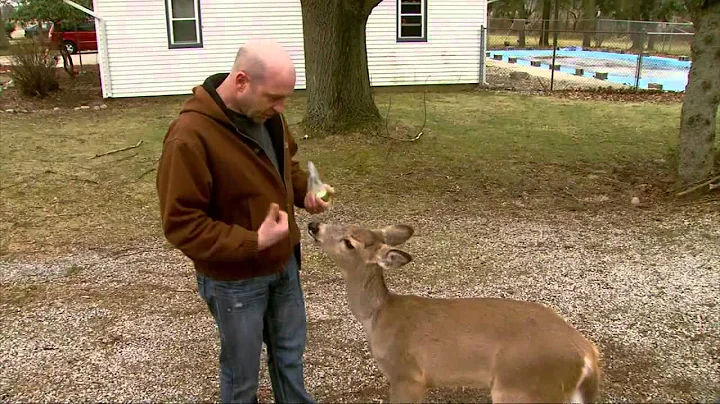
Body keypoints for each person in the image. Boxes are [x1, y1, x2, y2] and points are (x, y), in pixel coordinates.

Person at [155, 39, 331, 403]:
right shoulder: (189, 137)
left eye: (286, 98)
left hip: (284, 265)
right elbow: (182, 223)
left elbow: (285, 168)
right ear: (240, 81)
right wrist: (253, 241)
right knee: (241, 377)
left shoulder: (268, 117)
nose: (281, 108)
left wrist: (305, 193)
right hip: (234, 282)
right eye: (274, 97)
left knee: (289, 360)